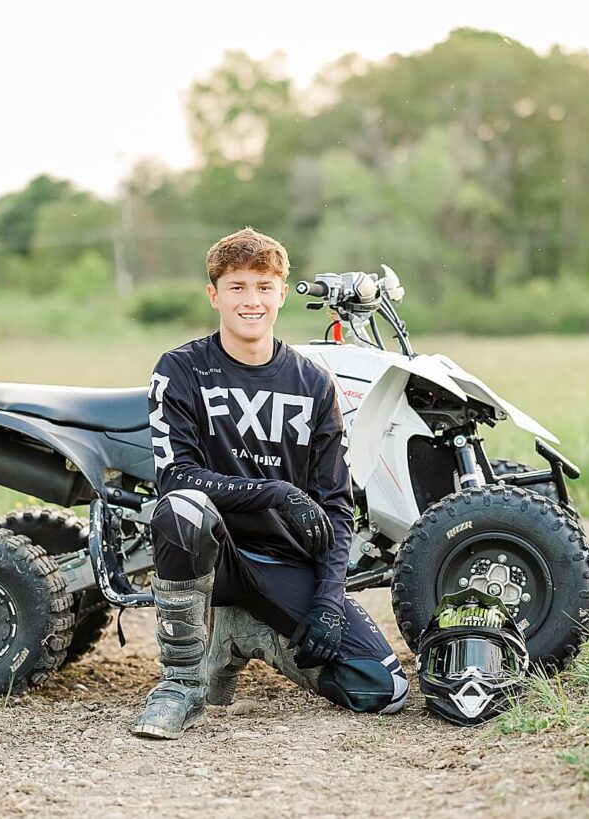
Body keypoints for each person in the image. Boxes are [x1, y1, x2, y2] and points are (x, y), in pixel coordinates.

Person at [132, 228, 408, 739]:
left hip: (280, 559)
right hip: (212, 554)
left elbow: (337, 507)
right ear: (214, 295)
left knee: (381, 691)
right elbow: (175, 477)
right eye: (237, 287)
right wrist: (276, 492)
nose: (251, 299)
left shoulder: (313, 383)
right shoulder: (181, 369)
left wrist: (327, 601)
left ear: (282, 293)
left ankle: (245, 634)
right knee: (182, 508)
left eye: (263, 285)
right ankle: (181, 683)